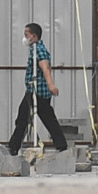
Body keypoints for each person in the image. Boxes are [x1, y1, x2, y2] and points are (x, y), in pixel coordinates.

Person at [7, 18, 70, 157]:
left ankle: (13, 148)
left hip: (37, 91)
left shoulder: (39, 50)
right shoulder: (35, 49)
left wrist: (51, 85)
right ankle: (61, 145)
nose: (25, 38)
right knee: (47, 118)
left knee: (23, 118)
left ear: (34, 36)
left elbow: (45, 67)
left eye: (27, 35)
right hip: (36, 90)